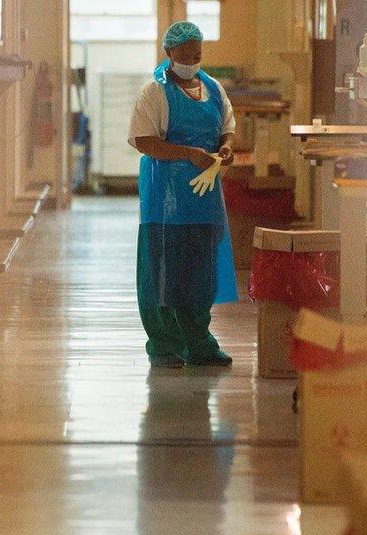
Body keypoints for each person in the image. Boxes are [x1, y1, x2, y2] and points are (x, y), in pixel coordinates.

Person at [128, 21, 238, 368]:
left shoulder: (213, 89)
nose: (192, 60)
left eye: (197, 55)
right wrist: (187, 153)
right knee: (164, 265)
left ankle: (198, 343)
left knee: (200, 266)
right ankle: (165, 343)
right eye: (185, 54)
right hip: (166, 195)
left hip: (204, 196)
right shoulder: (154, 92)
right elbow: (143, 141)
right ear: (168, 53)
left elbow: (227, 129)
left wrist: (227, 148)